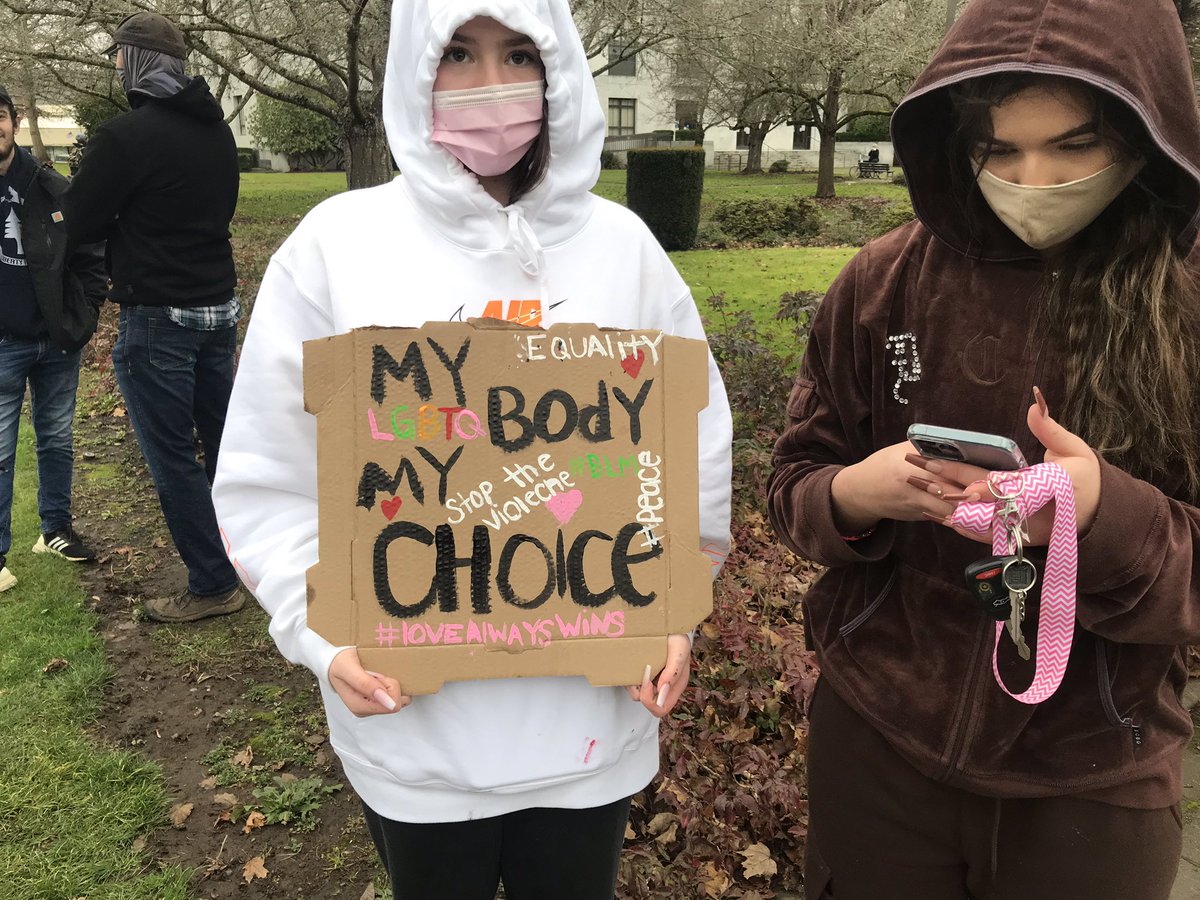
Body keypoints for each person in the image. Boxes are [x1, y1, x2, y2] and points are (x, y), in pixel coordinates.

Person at [212, 1, 732, 897]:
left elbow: (690, 451)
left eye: (518, 51)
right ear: (417, 63)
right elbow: (270, 478)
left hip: (590, 728)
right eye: (457, 51)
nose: (491, 82)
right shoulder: (336, 247)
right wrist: (324, 638)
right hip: (413, 735)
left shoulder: (625, 250)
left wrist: (673, 611)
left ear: (560, 65)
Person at [767, 0, 1200, 897]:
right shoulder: (883, 282)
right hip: (876, 744)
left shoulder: (1185, 306)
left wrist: (1097, 514)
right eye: (999, 150)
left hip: (1092, 777)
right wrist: (852, 494)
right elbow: (792, 482)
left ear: (1144, 136)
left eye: (1073, 146)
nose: (1031, 179)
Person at [65, 12, 244, 623]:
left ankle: (214, 582)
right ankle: (250, 556)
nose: (115, 66)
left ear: (138, 60)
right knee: (227, 444)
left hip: (160, 318)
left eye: (119, 56)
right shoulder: (217, 133)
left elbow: (80, 223)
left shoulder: (123, 137)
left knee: (173, 457)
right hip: (219, 309)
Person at [0, 84, 105, 592]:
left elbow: (90, 253)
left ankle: (55, 530)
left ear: (14, 121)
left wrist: (88, 311)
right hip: (3, 344)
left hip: (56, 341)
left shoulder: (49, 185)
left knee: (56, 438)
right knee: (0, 451)